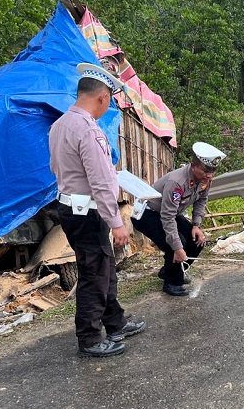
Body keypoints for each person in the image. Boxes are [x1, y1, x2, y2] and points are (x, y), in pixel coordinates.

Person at [49, 63, 145, 358]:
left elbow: (56, 168)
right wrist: (116, 222)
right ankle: (90, 338)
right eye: (110, 101)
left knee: (103, 269)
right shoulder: (90, 130)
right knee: (94, 273)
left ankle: (115, 322)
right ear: (103, 97)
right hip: (88, 213)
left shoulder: (60, 124)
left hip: (69, 208)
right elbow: (101, 181)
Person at [131, 142, 226, 296]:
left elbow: (201, 200)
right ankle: (172, 283)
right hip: (147, 214)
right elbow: (167, 218)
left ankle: (169, 272)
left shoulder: (205, 180)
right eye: (206, 171)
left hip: (169, 213)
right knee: (176, 243)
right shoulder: (176, 182)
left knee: (197, 240)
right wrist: (177, 247)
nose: (210, 175)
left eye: (213, 171)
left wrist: (196, 225)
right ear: (193, 166)